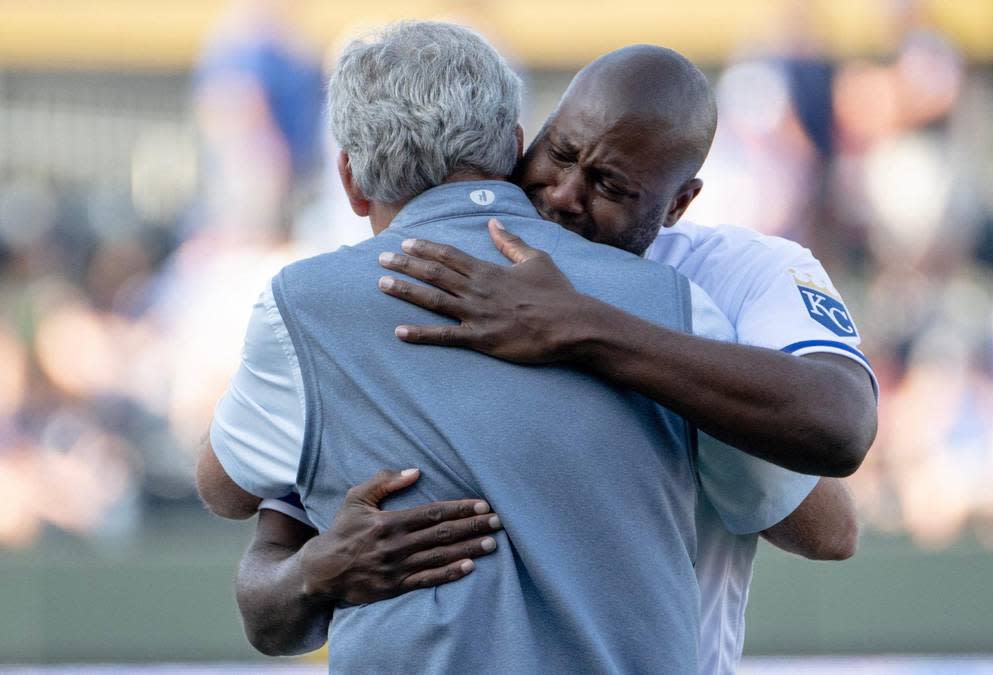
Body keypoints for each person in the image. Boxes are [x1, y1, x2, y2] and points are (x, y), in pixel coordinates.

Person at [225, 38, 878, 675]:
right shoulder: (399, 281)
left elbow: (832, 497)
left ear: (679, 203)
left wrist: (586, 329)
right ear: (520, 140)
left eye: (609, 184)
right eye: (559, 152)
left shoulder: (721, 282)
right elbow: (229, 494)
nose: (565, 194)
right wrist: (315, 563)